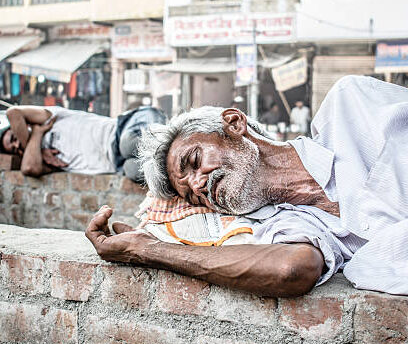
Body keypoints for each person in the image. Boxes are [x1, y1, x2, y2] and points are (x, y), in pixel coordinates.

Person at [86, 75, 408, 297]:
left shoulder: (348, 106)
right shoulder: (285, 225)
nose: (199, 184)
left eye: (195, 160)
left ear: (234, 124)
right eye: (192, 195)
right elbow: (290, 269)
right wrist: (146, 250)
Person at [0, 105, 166, 181]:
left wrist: (36, 132)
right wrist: (35, 138)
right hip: (118, 164)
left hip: (125, 128)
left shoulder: (47, 118)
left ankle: (174, 138)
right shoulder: (43, 160)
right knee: (134, 171)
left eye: (14, 138)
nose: (17, 145)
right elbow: (29, 168)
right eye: (14, 149)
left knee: (127, 145)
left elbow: (13, 112)